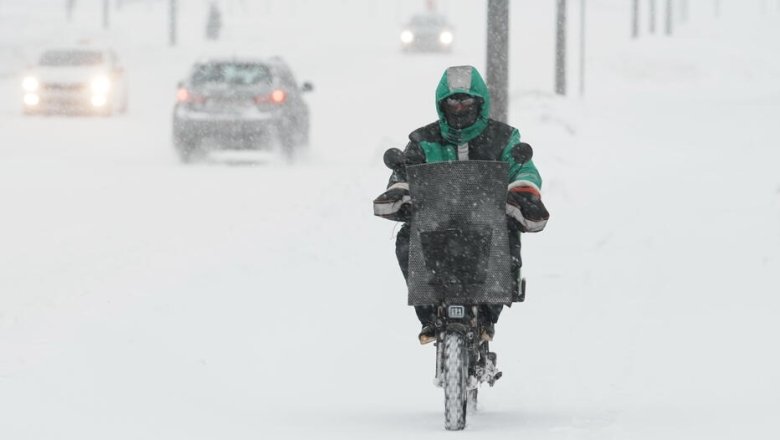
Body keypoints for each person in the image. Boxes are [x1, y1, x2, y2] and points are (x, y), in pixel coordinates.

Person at [374, 65, 550, 344]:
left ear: (480, 102)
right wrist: (399, 192)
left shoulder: (504, 138)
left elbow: (524, 168)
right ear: (441, 104)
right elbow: (404, 173)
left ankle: (488, 318)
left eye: (466, 100)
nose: (459, 106)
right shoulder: (423, 140)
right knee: (406, 239)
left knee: (508, 235)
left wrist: (524, 191)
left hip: (489, 220)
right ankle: (429, 318)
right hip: (436, 223)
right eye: (452, 100)